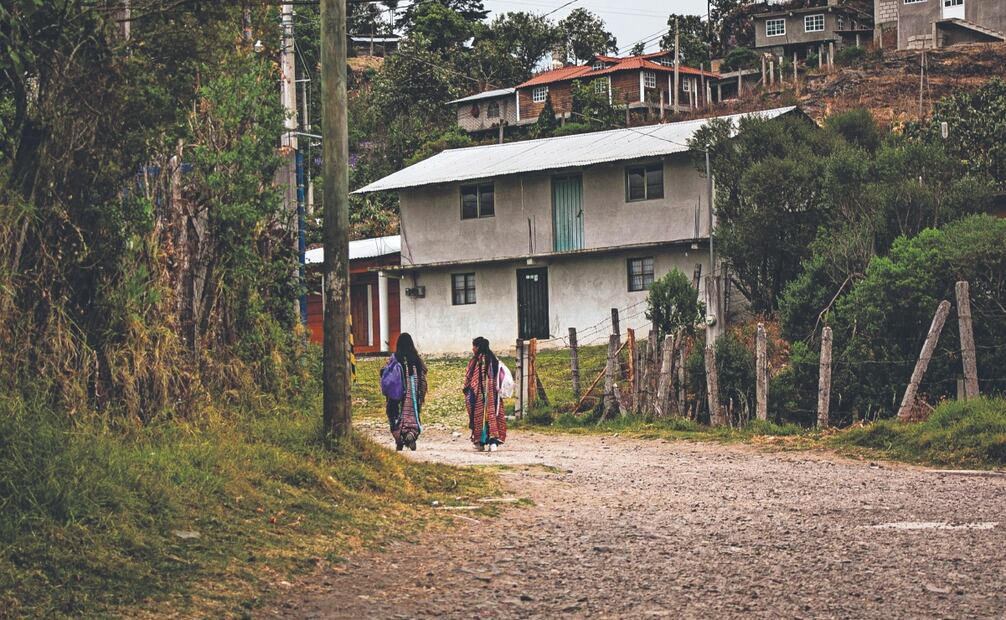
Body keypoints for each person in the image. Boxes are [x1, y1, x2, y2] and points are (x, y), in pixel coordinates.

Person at [384, 333, 428, 451]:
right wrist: (420, 396)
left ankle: (399, 440)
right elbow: (423, 380)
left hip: (396, 397)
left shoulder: (394, 359)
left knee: (395, 416)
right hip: (413, 398)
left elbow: (386, 377)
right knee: (412, 416)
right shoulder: (417, 361)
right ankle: (411, 435)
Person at [463, 337, 507, 452]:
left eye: (474, 346)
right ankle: (493, 442)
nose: (472, 349)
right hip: (493, 396)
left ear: (478, 347)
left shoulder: (477, 361)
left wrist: (469, 390)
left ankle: (481, 442)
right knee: (493, 416)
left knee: (479, 417)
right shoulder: (494, 359)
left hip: (479, 396)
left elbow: (471, 379)